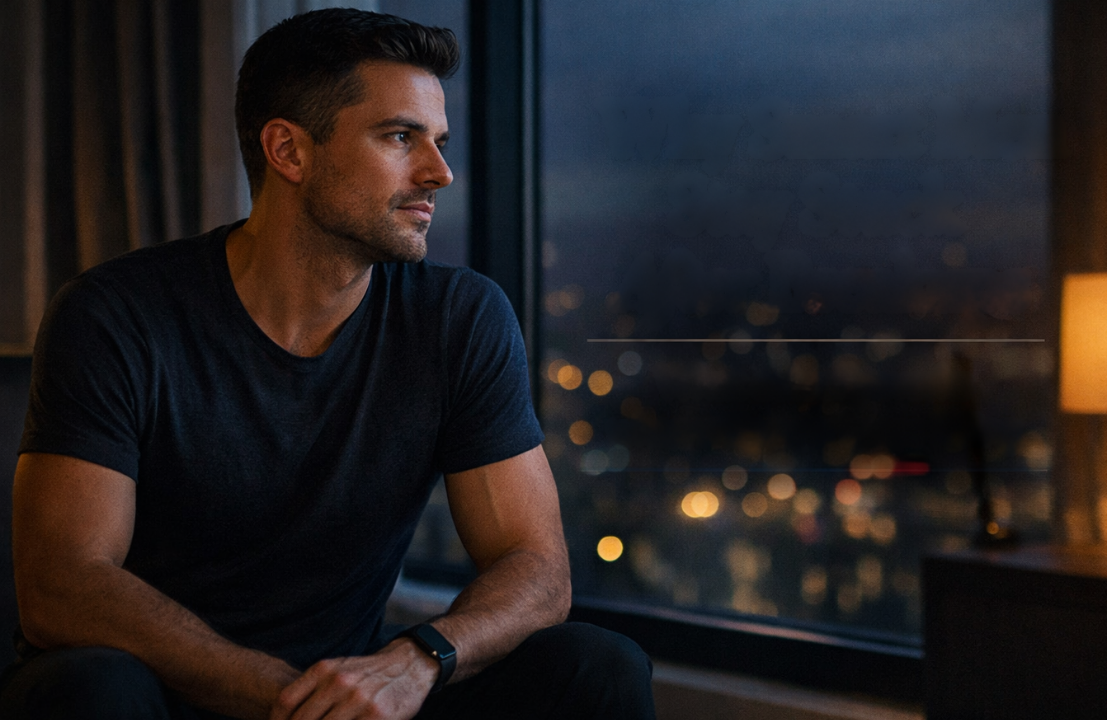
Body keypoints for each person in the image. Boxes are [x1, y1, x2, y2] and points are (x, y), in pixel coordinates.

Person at [0, 9, 655, 720]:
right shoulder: (116, 315)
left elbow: (536, 568)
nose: (439, 172)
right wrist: (287, 698)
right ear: (289, 151)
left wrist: (417, 661)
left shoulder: (459, 317)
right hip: (166, 695)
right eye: (401, 137)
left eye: (437, 142)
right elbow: (61, 585)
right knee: (91, 692)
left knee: (596, 666)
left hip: (350, 694)